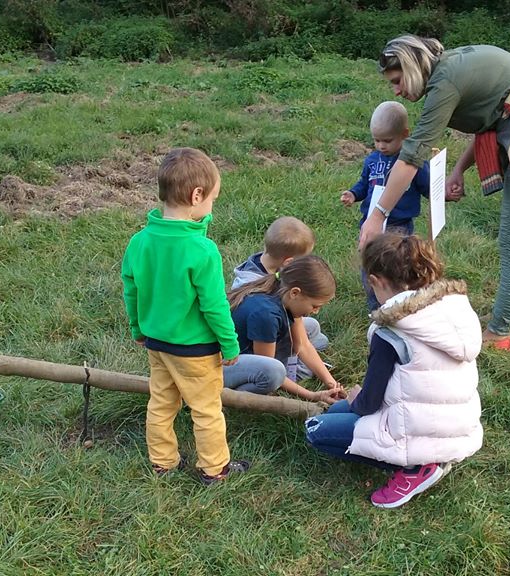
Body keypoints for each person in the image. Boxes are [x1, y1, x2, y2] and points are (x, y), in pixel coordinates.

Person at [364, 36, 510, 350]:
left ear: (414, 69)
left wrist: (377, 215)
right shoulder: (449, 69)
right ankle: (503, 316)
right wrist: (458, 170)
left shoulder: (445, 82)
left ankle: (499, 333)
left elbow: (412, 155)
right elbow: (491, 116)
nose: (397, 91)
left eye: (398, 81)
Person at [305, 233, 483, 509]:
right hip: (458, 427)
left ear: (375, 281)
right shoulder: (451, 310)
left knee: (316, 428)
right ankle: (431, 457)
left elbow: (369, 403)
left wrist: (356, 399)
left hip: (418, 430)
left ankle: (415, 468)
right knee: (336, 412)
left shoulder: (390, 332)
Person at [121, 147, 249, 485]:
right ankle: (214, 468)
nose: (211, 207)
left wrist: (137, 327)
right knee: (206, 410)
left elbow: (131, 290)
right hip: (195, 349)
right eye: (212, 200)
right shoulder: (201, 250)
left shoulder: (139, 242)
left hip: (156, 342)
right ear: (196, 196)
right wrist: (230, 344)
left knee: (161, 402)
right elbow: (215, 305)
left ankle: (162, 462)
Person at [341, 101, 430, 311]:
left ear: (404, 134)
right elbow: (365, 183)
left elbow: (427, 187)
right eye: (376, 140)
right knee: (370, 264)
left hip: (400, 226)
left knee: (397, 265)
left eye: (387, 140)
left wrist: (443, 192)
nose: (381, 146)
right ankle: (375, 305)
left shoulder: (411, 163)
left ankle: (398, 302)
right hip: (371, 224)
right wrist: (353, 194)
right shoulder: (373, 160)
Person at [225, 255, 345, 404]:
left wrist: (331, 382)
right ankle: (231, 395)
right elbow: (267, 365)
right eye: (315, 306)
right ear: (295, 293)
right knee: (274, 373)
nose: (316, 311)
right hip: (219, 366)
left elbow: (303, 345)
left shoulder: (282, 292)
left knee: (312, 327)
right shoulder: (266, 315)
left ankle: (291, 373)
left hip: (250, 351)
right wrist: (312, 396)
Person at [230, 216, 329, 379]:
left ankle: (294, 358)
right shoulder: (258, 295)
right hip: (255, 342)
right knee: (309, 354)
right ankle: (292, 371)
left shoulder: (266, 265)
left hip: (271, 328)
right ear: (288, 262)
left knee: (315, 330)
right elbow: (264, 358)